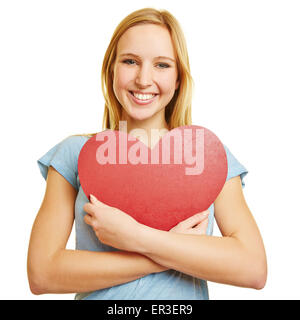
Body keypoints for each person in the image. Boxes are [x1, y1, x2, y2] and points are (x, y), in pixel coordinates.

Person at [27, 7, 267, 300]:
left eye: (162, 65)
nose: (143, 79)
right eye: (130, 61)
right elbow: (42, 273)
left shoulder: (207, 157)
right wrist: (164, 251)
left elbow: (253, 268)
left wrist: (136, 237)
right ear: (111, 69)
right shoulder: (75, 154)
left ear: (179, 78)